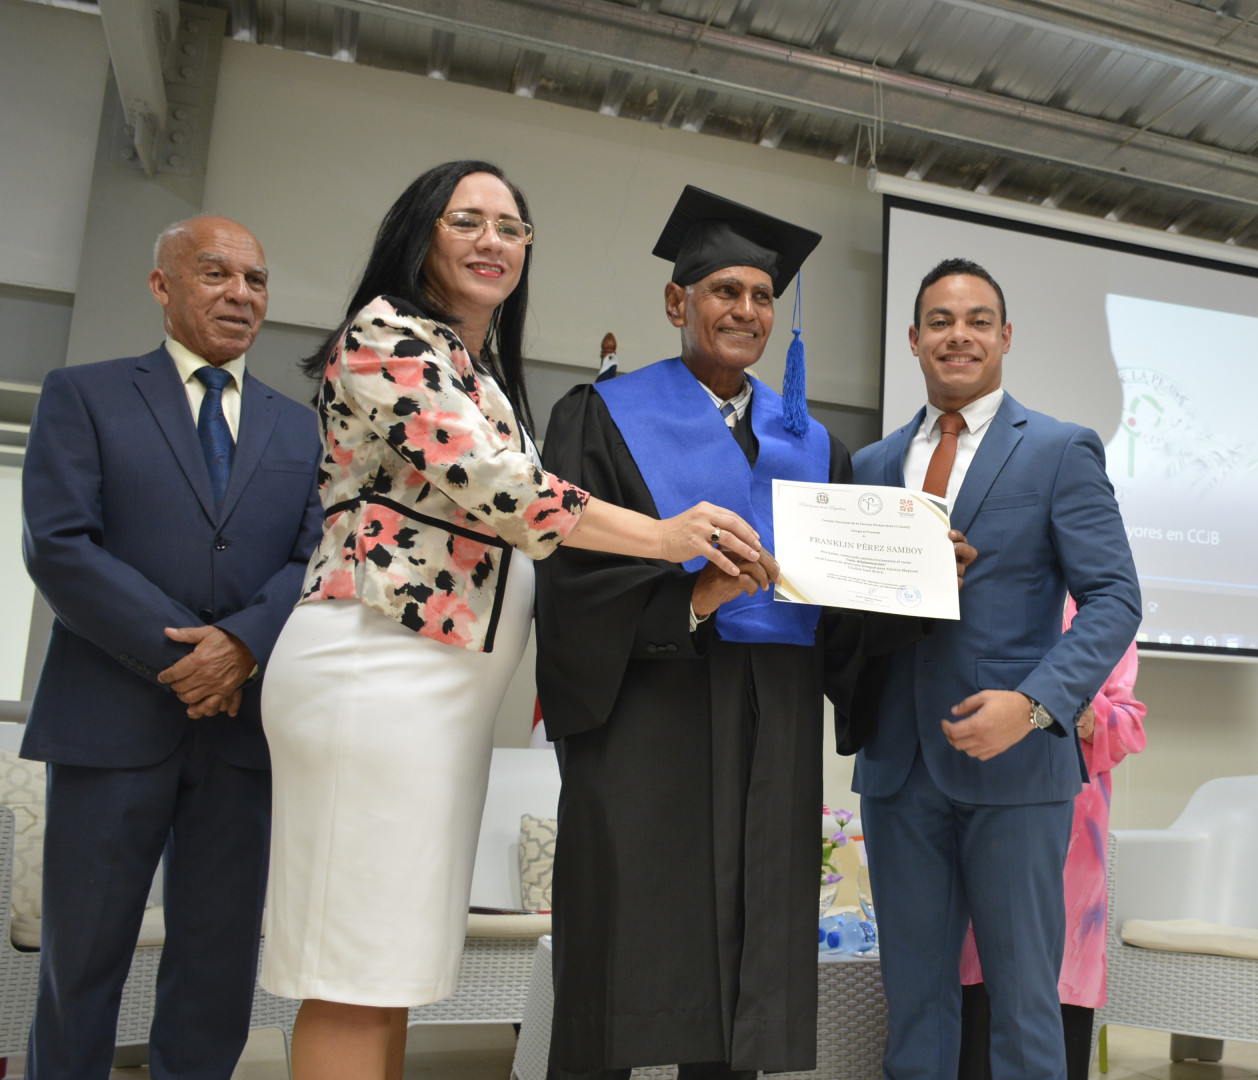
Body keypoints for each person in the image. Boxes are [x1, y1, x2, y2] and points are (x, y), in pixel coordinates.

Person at [258, 162, 764, 1080]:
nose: (493, 240)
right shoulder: (385, 334)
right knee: (351, 968)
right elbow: (506, 490)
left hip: (440, 698)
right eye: (468, 221)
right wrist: (663, 537)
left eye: (512, 226)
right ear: (420, 233)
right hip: (374, 672)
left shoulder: (476, 369)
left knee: (389, 968)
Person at [533, 186, 963, 1080]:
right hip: (645, 715)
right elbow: (569, 576)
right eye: (724, 291)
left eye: (762, 296)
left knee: (748, 950)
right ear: (676, 301)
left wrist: (918, 581)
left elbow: (837, 614)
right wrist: (692, 601)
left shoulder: (814, 446)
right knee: (625, 938)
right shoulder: (600, 416)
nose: (746, 310)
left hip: (774, 719)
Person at [19, 216, 324, 1080]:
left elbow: (316, 558)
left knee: (216, 968)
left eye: (256, 280)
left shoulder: (301, 430)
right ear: (162, 285)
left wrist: (243, 646)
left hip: (243, 735)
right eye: (216, 273)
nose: (240, 294)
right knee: (81, 963)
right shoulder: (83, 394)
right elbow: (60, 547)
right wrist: (191, 658)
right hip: (108, 723)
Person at [849, 257, 1141, 1080]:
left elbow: (1115, 599)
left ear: (1006, 337)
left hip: (1017, 766)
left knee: (1023, 1008)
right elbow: (851, 614)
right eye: (940, 321)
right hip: (898, 767)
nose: (959, 335)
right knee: (913, 1008)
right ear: (913, 339)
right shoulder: (869, 467)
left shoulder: (1058, 449)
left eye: (978, 320)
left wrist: (1035, 704)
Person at [957, 600, 1147, 1080]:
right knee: (979, 989)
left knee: (1054, 989)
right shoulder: (988, 594)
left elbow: (1128, 726)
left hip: (1073, 847)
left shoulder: (1101, 612)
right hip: (981, 807)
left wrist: (1065, 706)